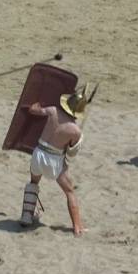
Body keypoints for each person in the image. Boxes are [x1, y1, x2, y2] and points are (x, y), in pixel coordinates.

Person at [18, 87, 89, 237]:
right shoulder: (75, 131)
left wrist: (37, 103)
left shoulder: (52, 111)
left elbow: (33, 110)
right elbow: (71, 151)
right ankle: (77, 227)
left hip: (38, 154)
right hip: (54, 160)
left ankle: (26, 216)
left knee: (33, 183)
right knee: (69, 191)